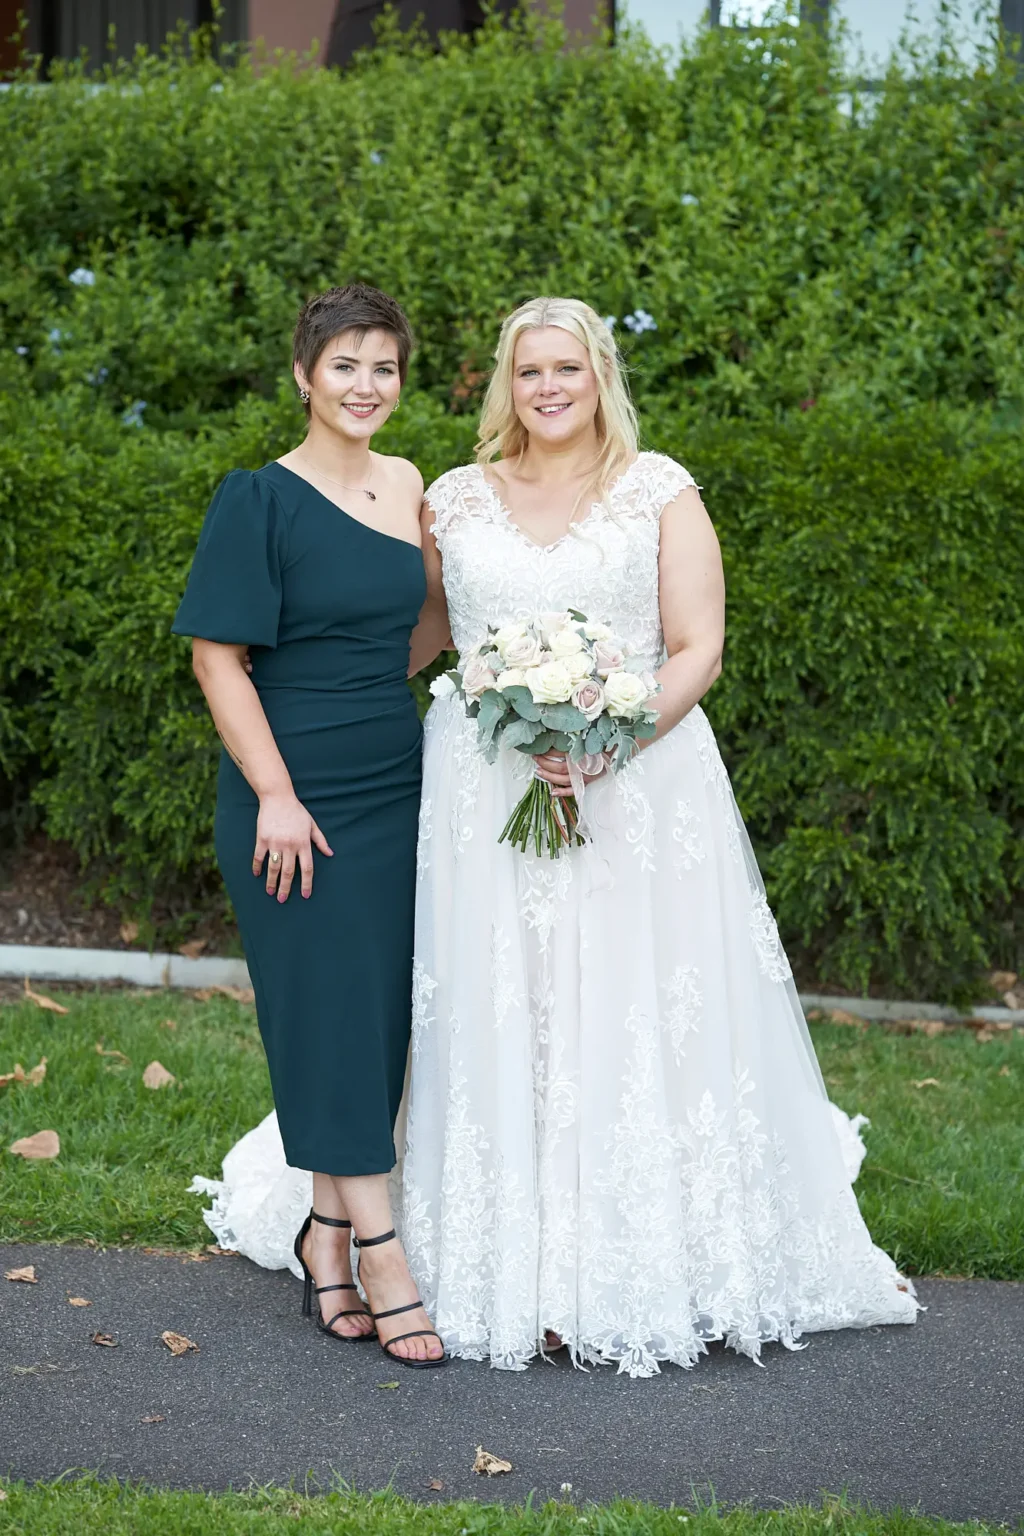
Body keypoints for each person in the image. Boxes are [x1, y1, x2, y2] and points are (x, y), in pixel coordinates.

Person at [398, 295, 918, 1375]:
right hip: (479, 789)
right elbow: (423, 635)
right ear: (507, 382)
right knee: (508, 1001)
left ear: (600, 379)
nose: (548, 389)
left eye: (568, 371)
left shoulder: (658, 492)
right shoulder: (451, 499)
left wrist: (604, 741)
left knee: (624, 1003)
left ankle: (627, 1256)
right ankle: (502, 1256)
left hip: (636, 786)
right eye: (529, 371)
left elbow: (696, 646)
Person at [173, 283, 446, 1368]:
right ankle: (381, 1250)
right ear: (303, 375)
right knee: (329, 1013)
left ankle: (323, 1232)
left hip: (396, 776)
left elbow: (418, 631)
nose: (366, 386)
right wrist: (277, 794)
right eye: (345, 365)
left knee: (379, 1020)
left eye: (384, 366)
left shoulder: (409, 484)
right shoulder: (259, 499)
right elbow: (216, 657)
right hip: (290, 794)